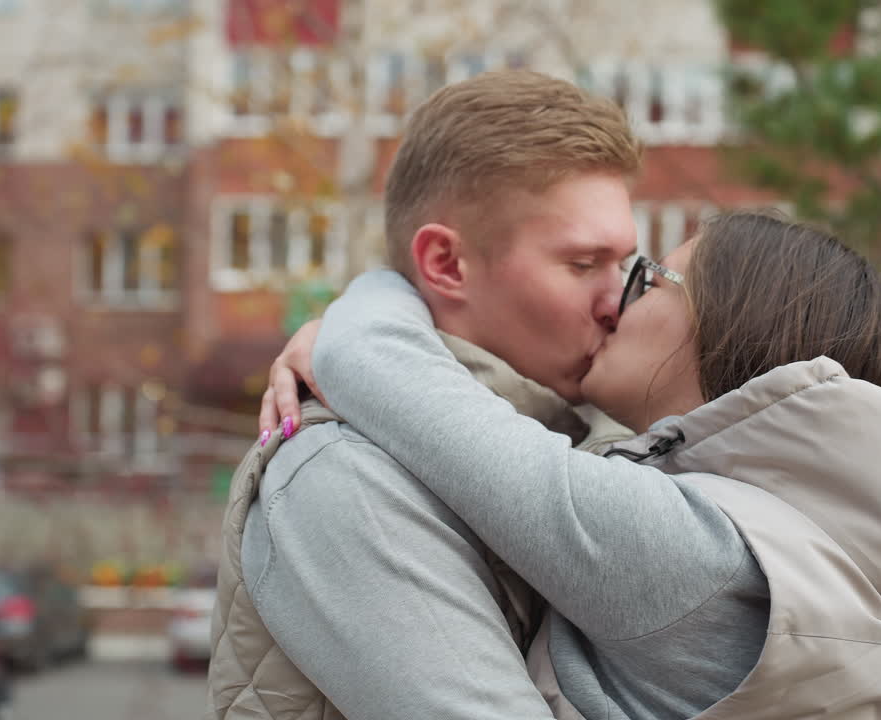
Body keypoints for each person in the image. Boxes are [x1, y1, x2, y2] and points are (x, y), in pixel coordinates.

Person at [267, 211, 881, 718]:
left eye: (650, 280)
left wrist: (375, 296)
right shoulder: (824, 567)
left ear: (730, 329)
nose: (615, 303)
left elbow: (370, 364)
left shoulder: (699, 556)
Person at [206, 70, 642, 720]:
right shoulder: (342, 475)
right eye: (583, 265)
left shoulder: (574, 436)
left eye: (627, 266)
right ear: (444, 264)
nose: (618, 304)